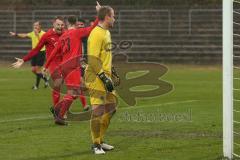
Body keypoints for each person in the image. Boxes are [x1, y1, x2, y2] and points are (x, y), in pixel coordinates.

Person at [44, 2, 100, 125]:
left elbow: (54, 52)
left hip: (65, 66)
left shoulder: (63, 35)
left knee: (82, 88)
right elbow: (92, 28)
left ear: (67, 23)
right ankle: (59, 116)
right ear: (75, 24)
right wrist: (98, 14)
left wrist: (46, 65)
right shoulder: (77, 32)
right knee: (72, 92)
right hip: (72, 66)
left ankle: (58, 109)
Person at [85, 5, 120, 154]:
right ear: (107, 17)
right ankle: (95, 145)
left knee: (112, 108)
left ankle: (100, 140)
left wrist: (112, 71)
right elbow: (92, 59)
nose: (114, 18)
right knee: (98, 111)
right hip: (95, 77)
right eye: (113, 16)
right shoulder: (96, 33)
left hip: (105, 76)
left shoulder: (106, 32)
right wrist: (103, 77)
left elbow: (104, 56)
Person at [11, 16, 65, 109]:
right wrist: (24, 59)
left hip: (66, 62)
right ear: (53, 24)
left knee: (76, 88)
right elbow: (36, 49)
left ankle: (62, 107)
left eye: (62, 25)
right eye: (58, 24)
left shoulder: (67, 33)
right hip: (53, 63)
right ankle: (57, 109)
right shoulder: (47, 35)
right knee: (57, 84)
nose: (60, 26)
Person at [10, 21, 48, 90]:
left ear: (40, 26)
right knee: (33, 70)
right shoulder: (32, 33)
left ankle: (36, 86)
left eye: (36, 25)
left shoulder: (44, 34)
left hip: (41, 52)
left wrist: (37, 35)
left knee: (38, 70)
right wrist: (15, 34)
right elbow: (24, 35)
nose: (35, 27)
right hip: (34, 53)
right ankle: (46, 80)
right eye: (34, 25)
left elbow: (42, 43)